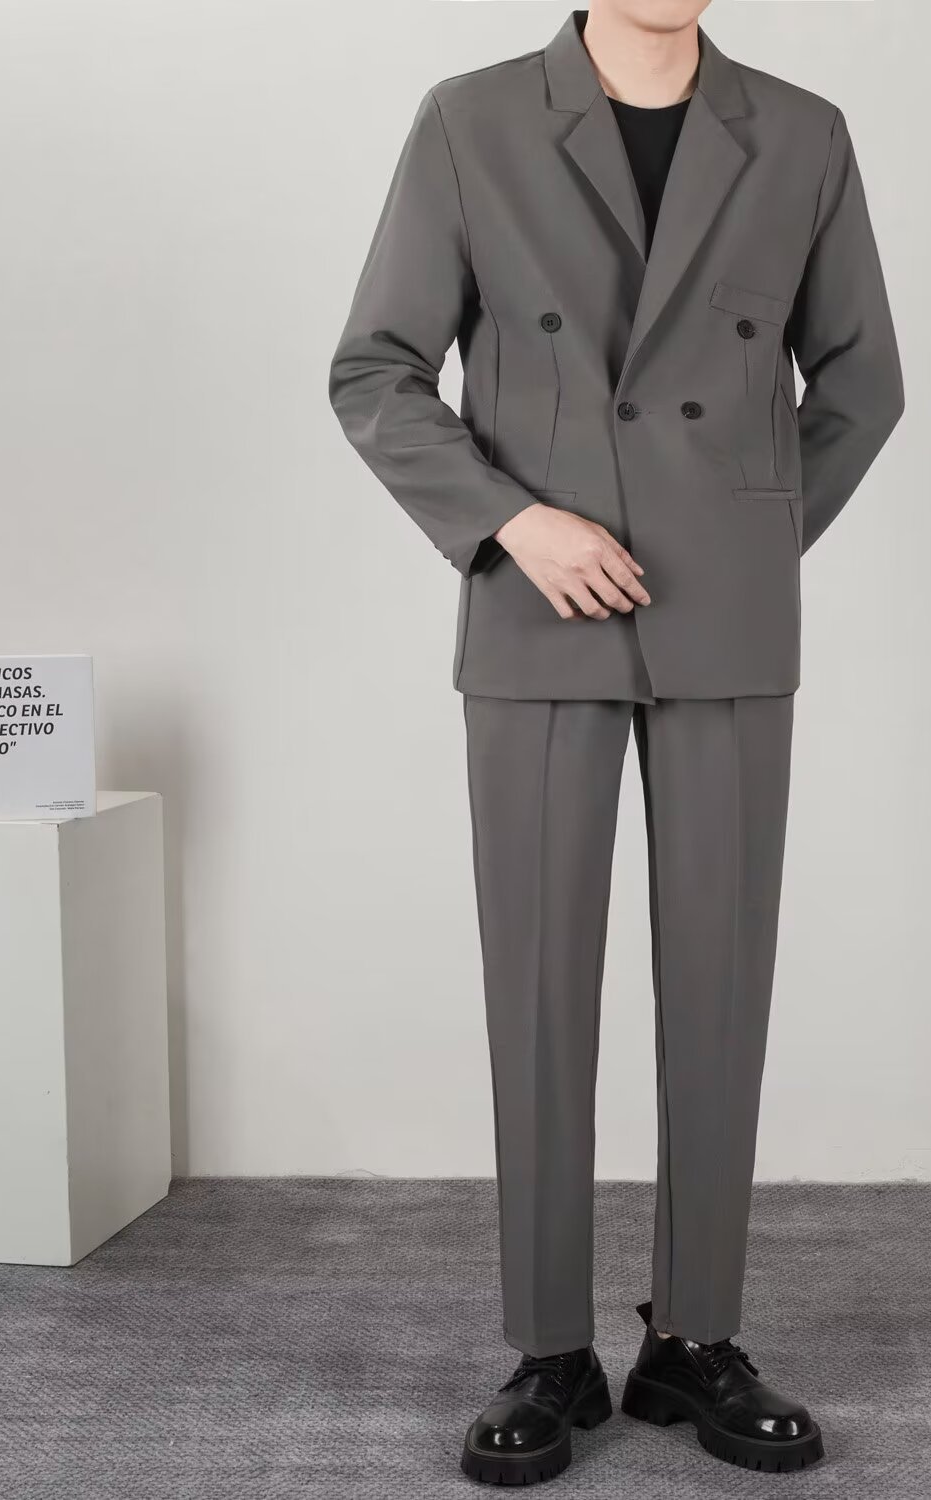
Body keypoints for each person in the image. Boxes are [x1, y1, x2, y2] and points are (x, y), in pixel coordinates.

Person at [329, 1, 902, 1484]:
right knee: (538, 989)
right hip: (538, 614)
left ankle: (694, 1338)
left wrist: (740, 540)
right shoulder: (472, 120)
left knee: (721, 980)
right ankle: (549, 1351)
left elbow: (861, 383)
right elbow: (376, 370)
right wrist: (513, 524)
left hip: (724, 621)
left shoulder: (803, 134)